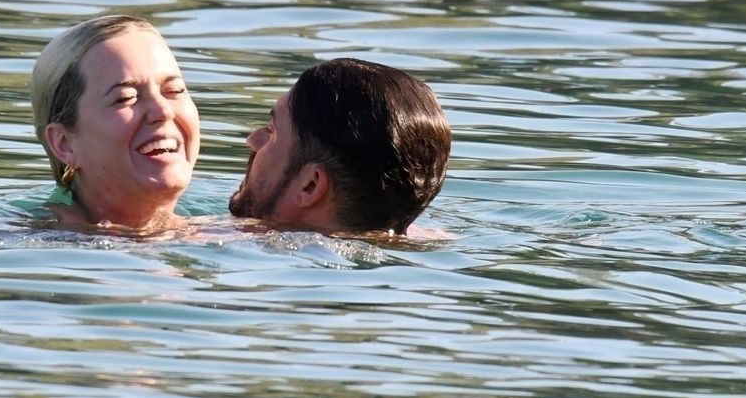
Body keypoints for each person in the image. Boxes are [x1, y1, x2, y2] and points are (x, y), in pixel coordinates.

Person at [229, 58, 450, 237]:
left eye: (272, 130)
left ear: (310, 185)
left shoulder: (231, 240)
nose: (253, 140)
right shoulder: (418, 241)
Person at [30, 14, 199, 234]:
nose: (163, 111)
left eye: (174, 90)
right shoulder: (26, 240)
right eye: (125, 98)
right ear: (64, 144)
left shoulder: (223, 233)